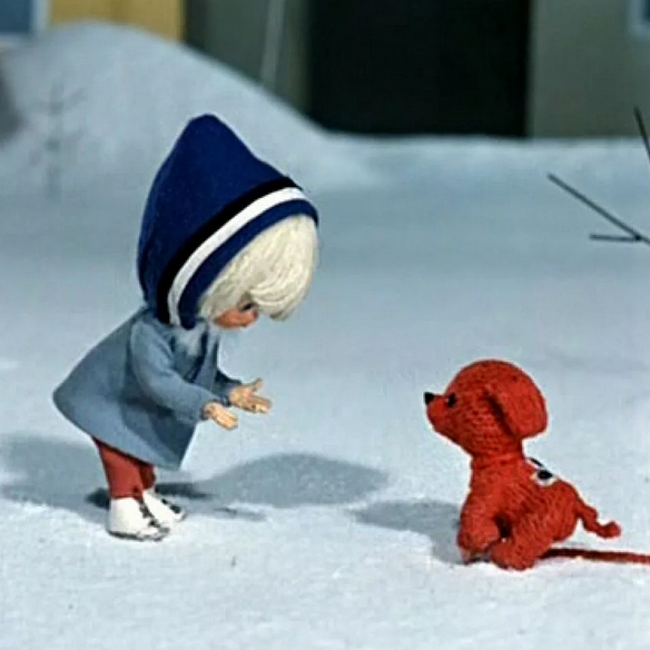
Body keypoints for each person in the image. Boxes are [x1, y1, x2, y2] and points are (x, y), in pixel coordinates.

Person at [52, 115, 319, 541]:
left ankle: (146, 495)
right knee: (123, 453)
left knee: (140, 451)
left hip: (133, 409)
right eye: (246, 304)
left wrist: (231, 392)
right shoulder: (150, 334)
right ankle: (125, 506)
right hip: (106, 404)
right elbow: (161, 383)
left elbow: (202, 376)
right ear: (202, 285)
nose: (251, 318)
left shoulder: (198, 334)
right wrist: (205, 405)